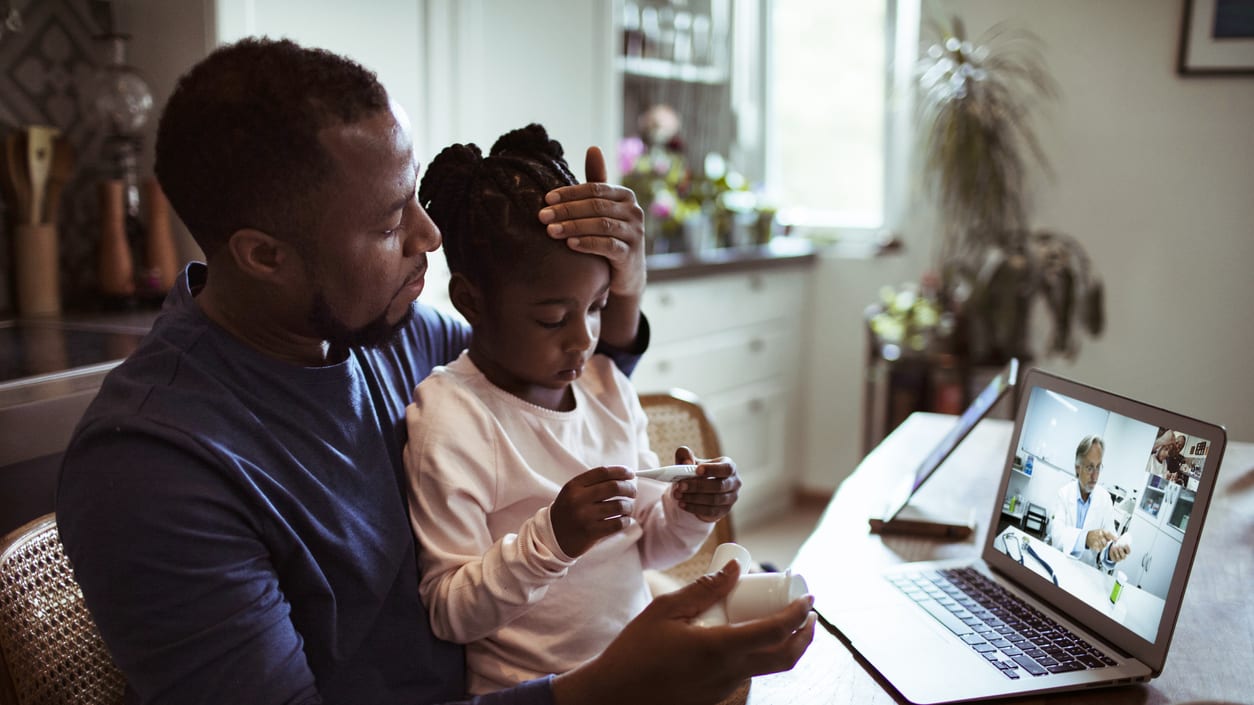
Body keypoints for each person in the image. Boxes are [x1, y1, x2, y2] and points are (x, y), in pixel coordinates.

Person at [55, 37, 814, 705]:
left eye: (415, 198)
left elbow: (552, 381)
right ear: (264, 255)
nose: (429, 235)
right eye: (389, 223)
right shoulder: (153, 469)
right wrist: (598, 690)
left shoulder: (395, 332)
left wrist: (621, 285)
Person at [407, 124, 737, 694]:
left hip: (640, 677)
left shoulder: (607, 387)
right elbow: (449, 611)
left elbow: (650, 549)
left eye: (596, 308)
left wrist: (689, 510)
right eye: (553, 318)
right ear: (471, 301)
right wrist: (553, 539)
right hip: (538, 693)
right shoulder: (452, 418)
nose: (583, 340)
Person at [1047, 435, 1131, 568]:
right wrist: (1085, 539)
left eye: (1098, 467)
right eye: (1090, 468)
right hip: (1059, 565)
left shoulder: (1105, 500)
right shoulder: (1063, 494)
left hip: (1085, 572)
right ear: (1077, 468)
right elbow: (1057, 535)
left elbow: (1109, 541)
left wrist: (1112, 552)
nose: (1095, 476)